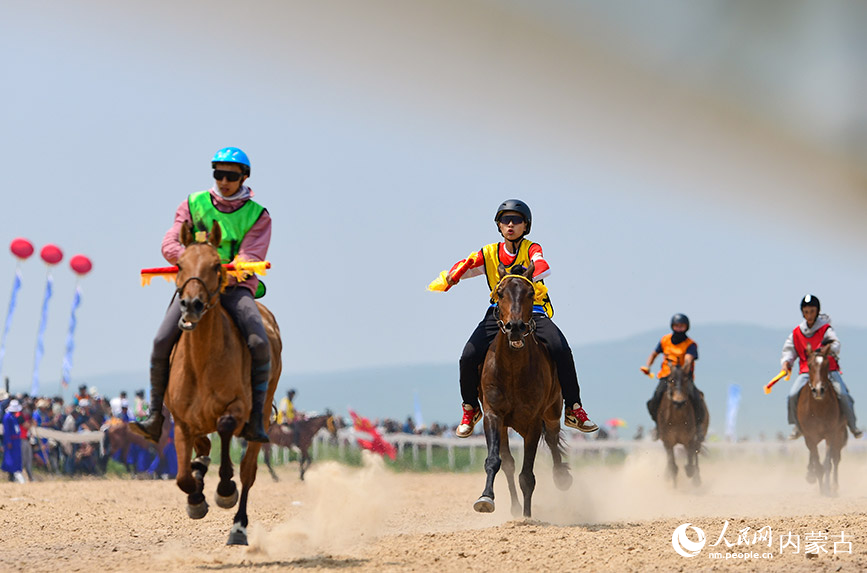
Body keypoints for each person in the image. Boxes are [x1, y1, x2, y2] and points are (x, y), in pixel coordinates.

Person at [132, 147, 273, 444]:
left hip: (233, 288)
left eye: (231, 176)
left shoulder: (258, 215)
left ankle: (257, 418)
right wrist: (193, 261)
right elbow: (171, 240)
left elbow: (250, 256)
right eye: (218, 174)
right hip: (195, 287)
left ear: (244, 177)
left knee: (260, 341)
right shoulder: (192, 203)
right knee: (160, 341)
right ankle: (155, 415)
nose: (224, 181)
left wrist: (218, 271)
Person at [439, 199, 598, 437]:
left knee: (561, 349)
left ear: (526, 226)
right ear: (499, 225)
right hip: (500, 314)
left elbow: (542, 265)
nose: (510, 224)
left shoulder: (531, 249)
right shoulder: (490, 252)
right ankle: (470, 408)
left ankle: (574, 408)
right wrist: (453, 276)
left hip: (534, 311)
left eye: (516, 220)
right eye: (505, 220)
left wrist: (534, 268)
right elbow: (468, 265)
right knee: (468, 355)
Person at [781, 295, 861, 439]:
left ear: (817, 311)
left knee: (843, 393)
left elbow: (836, 343)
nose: (809, 315)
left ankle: (852, 425)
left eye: (812, 311)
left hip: (828, 369)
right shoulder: (796, 333)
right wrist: (787, 362)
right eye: (806, 312)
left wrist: (828, 348)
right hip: (807, 371)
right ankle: (797, 426)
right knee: (792, 395)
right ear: (802, 313)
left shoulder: (825, 329)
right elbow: (789, 351)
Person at [641, 313, 705, 440]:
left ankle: (697, 428)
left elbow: (689, 358)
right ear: (672, 326)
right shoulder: (665, 340)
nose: (679, 329)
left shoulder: (691, 344)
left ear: (686, 327)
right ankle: (658, 427)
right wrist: (647, 366)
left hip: (684, 378)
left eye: (682, 326)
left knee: (697, 399)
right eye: (677, 326)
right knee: (654, 400)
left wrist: (684, 366)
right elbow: (654, 354)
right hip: (666, 376)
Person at [2, 399, 24, 483]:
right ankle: (11, 475)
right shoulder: (7, 417)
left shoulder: (14, 417)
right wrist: (9, 441)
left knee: (16, 458)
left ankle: (15, 474)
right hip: (11, 440)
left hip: (16, 440)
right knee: (10, 458)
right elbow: (7, 431)